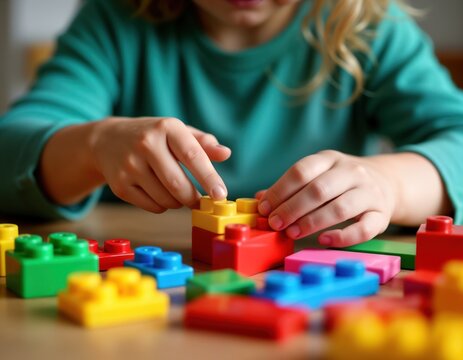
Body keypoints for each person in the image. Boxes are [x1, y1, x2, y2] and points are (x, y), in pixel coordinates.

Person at [1, 0, 462, 248]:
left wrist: (392, 184)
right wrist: (94, 145)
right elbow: (10, 149)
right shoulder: (116, 20)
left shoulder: (370, 27)